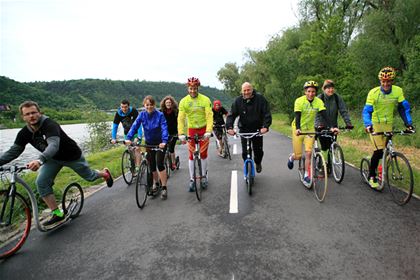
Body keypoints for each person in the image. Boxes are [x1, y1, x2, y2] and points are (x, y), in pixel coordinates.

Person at [0, 101, 113, 226]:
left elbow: (53, 145)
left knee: (90, 177)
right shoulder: (24, 133)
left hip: (71, 156)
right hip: (52, 160)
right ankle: (57, 214)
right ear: (23, 117)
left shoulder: (49, 124)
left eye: (33, 112)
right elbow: (14, 151)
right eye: (27, 114)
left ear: (39, 113)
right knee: (41, 182)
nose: (31, 116)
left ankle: (105, 174)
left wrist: (39, 160)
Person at [362, 66, 414, 189]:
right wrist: (368, 125)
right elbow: (367, 111)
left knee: (386, 150)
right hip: (375, 124)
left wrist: (409, 124)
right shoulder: (373, 93)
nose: (386, 84)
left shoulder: (398, 91)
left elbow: (403, 108)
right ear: (380, 81)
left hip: (388, 124)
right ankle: (372, 176)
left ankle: (380, 170)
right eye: (383, 81)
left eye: (388, 81)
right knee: (379, 151)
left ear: (392, 81)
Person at [286, 81, 331, 186]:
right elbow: (297, 116)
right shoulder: (299, 101)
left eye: (313, 92)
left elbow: (324, 115)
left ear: (316, 92)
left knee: (309, 153)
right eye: (309, 91)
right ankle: (292, 158)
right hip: (298, 129)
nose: (311, 94)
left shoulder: (318, 101)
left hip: (310, 129)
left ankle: (307, 174)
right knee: (298, 156)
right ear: (305, 92)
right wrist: (297, 128)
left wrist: (332, 127)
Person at [126, 96, 169, 199]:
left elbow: (164, 128)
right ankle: (156, 183)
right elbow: (135, 126)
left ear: (154, 105)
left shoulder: (160, 115)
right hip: (149, 143)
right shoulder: (142, 115)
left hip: (159, 143)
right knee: (152, 165)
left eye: (151, 105)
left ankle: (164, 187)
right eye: (147, 105)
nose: (149, 107)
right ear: (144, 105)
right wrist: (128, 137)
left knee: (159, 164)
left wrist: (164, 141)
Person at [226, 82, 272, 173]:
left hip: (257, 130)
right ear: (241, 91)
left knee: (258, 151)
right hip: (244, 130)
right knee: (245, 152)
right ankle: (247, 166)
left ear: (252, 90)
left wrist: (265, 126)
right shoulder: (238, 101)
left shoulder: (260, 99)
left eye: (248, 90)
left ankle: (258, 163)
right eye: (244, 90)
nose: (246, 92)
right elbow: (231, 115)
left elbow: (266, 113)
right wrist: (229, 127)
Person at [178, 77, 213, 192]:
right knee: (191, 155)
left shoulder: (205, 100)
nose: (193, 90)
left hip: (203, 129)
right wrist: (181, 133)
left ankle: (203, 177)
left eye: (195, 88)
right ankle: (192, 179)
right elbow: (181, 118)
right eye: (190, 88)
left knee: (203, 154)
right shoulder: (183, 101)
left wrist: (208, 130)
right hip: (192, 130)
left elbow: (209, 116)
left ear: (198, 88)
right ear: (188, 88)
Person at [315, 80, 353, 168]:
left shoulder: (337, 98)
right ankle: (323, 164)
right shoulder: (320, 98)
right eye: (328, 88)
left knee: (331, 146)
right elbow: (317, 114)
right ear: (324, 89)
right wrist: (318, 125)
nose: (330, 90)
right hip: (322, 126)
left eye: (332, 88)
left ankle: (329, 164)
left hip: (333, 126)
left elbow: (343, 111)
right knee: (324, 147)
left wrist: (348, 123)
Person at [110, 99, 142, 170]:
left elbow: (139, 125)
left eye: (125, 107)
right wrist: (113, 138)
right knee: (130, 149)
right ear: (120, 107)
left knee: (136, 148)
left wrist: (139, 136)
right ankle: (133, 166)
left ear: (128, 106)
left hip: (136, 133)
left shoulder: (133, 111)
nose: (124, 109)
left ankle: (138, 167)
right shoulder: (118, 113)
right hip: (127, 134)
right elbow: (115, 127)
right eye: (122, 107)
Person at [160, 95, 179, 170]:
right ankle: (165, 161)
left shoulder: (176, 111)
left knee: (171, 148)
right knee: (164, 148)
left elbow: (178, 122)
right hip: (164, 132)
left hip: (173, 132)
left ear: (172, 103)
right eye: (167, 102)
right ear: (164, 104)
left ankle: (173, 163)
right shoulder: (161, 112)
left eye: (169, 102)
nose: (168, 104)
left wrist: (178, 132)